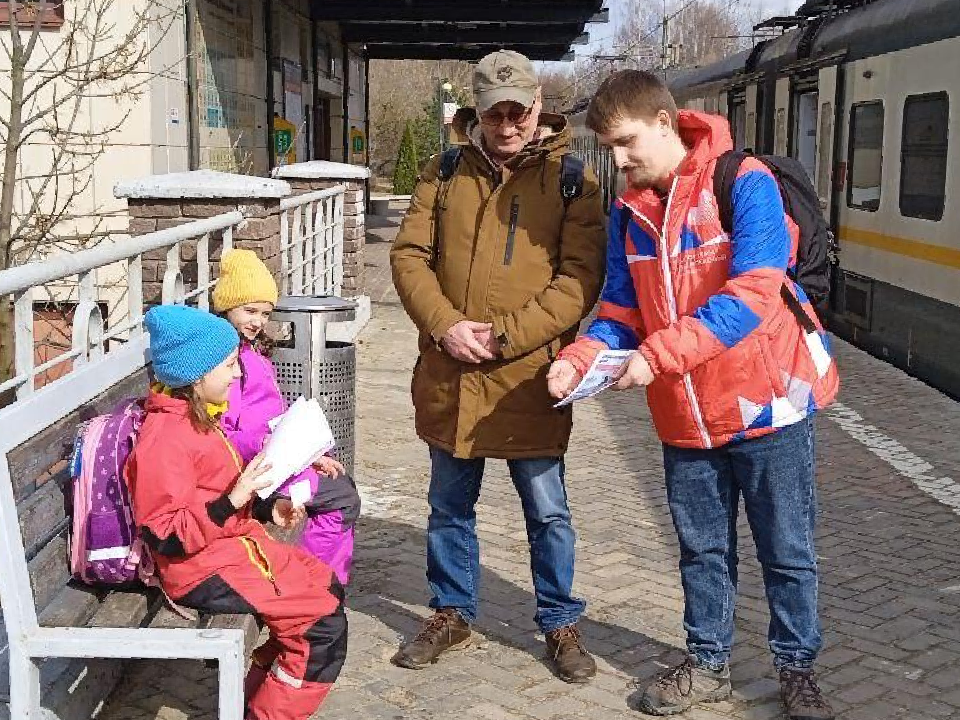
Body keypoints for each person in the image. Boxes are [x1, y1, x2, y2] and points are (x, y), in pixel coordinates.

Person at [548, 70, 839, 719]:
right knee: (702, 550)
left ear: (661, 122)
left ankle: (797, 668)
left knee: (787, 548)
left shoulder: (743, 182)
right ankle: (708, 662)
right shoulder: (630, 211)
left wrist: (656, 357)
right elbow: (621, 309)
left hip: (768, 404)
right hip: (686, 416)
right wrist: (579, 358)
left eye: (625, 144)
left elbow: (754, 295)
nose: (619, 161)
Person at [389, 49, 607, 683]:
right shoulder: (443, 171)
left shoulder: (574, 181)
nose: (508, 124)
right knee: (448, 506)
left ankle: (560, 622)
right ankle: (451, 612)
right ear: (474, 113)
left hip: (528, 382)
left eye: (518, 111)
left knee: (547, 510)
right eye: (495, 113)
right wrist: (444, 325)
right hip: (451, 375)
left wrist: (508, 336)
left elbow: (579, 280)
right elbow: (407, 257)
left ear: (538, 106)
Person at [126, 304, 347, 720]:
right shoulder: (166, 438)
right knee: (321, 629)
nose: (238, 374)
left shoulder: (197, 418)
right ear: (197, 374)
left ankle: (253, 700)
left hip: (230, 548)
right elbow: (165, 535)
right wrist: (235, 499)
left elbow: (212, 490)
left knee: (327, 585)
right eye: (229, 366)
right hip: (200, 569)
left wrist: (266, 506)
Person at [213, 248, 360, 586]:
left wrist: (309, 454)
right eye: (249, 311)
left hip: (272, 459)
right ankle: (312, 580)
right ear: (225, 307)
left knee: (341, 488)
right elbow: (225, 434)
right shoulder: (227, 363)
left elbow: (270, 417)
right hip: (255, 469)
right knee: (342, 500)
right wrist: (271, 445)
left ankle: (323, 578)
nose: (258, 321)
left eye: (265, 314)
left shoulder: (250, 352)